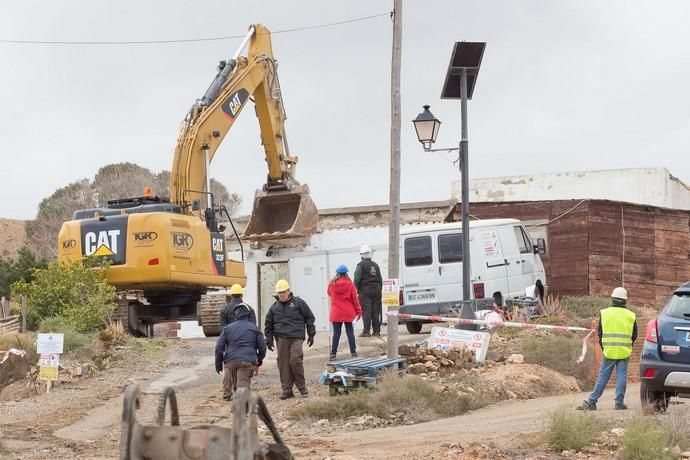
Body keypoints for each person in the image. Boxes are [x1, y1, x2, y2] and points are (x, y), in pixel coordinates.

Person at [577, 287, 637, 411]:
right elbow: (634, 335)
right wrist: (627, 345)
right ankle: (619, 403)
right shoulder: (631, 315)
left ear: (613, 299)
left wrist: (605, 347)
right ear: (625, 300)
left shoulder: (604, 313)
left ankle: (591, 402)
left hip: (609, 351)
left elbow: (600, 332)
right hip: (624, 351)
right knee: (621, 376)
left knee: (603, 377)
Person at [264, 279, 316, 400]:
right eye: (279, 292)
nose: (281, 294)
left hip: (296, 337)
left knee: (295, 360)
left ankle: (302, 387)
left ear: (289, 291)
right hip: (281, 338)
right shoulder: (274, 308)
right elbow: (268, 324)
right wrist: (269, 339)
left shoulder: (299, 303)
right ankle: (287, 390)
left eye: (283, 292)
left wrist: (311, 333)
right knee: (283, 364)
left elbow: (309, 318)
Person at [214, 305, 267, 401]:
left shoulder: (228, 328)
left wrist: (218, 364)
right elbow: (262, 347)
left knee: (228, 370)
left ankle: (227, 393)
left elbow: (219, 348)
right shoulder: (254, 328)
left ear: (235, 315)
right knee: (242, 380)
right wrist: (259, 359)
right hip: (247, 360)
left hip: (230, 360)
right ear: (247, 315)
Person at [327, 264, 362, 360]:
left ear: (337, 274)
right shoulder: (350, 284)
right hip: (348, 312)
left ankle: (333, 354)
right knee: (350, 332)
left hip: (336, 313)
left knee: (336, 333)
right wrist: (359, 312)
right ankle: (353, 353)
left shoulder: (331, 285)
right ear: (346, 274)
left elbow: (329, 294)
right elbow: (355, 300)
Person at [354, 244, 383, 337]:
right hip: (377, 290)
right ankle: (377, 331)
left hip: (365, 291)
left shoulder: (360, 265)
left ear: (361, 255)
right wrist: (379, 289)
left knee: (366, 311)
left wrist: (358, 289)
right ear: (370, 254)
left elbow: (356, 279)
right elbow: (380, 279)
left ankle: (366, 331)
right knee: (376, 311)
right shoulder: (376, 265)